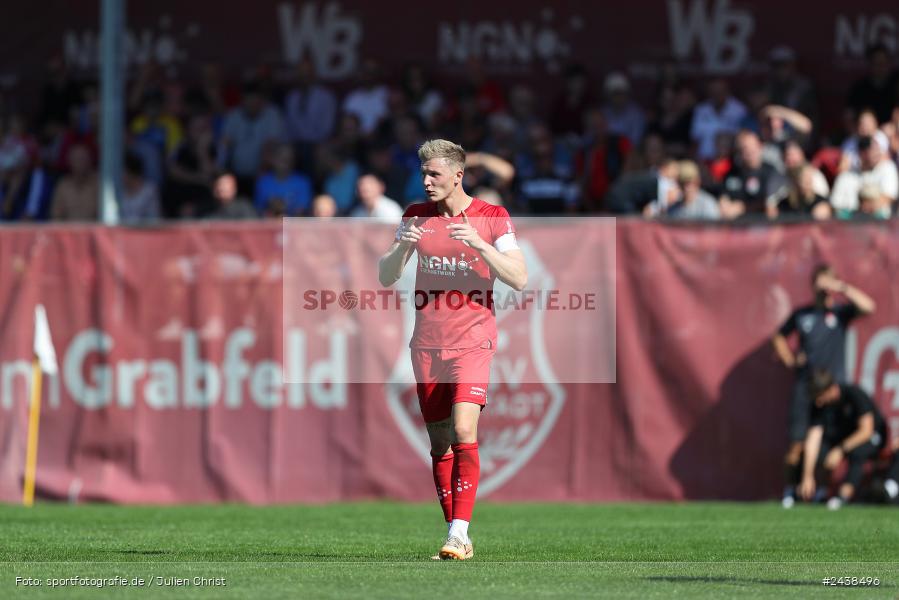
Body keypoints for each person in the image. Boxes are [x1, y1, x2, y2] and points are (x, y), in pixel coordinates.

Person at [378, 139, 527, 560]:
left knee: (464, 430)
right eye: (423, 174)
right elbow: (387, 276)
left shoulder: (492, 217)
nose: (425, 182)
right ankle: (454, 531)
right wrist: (404, 245)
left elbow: (519, 277)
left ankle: (459, 533)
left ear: (458, 176)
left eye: (434, 175)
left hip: (474, 340)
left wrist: (480, 245)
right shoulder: (414, 216)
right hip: (427, 343)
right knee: (440, 442)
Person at [772, 265, 876, 508]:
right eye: (822, 281)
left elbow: (869, 307)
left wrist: (840, 287)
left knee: (826, 446)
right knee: (797, 444)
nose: (824, 287)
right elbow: (778, 337)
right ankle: (791, 491)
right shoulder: (802, 315)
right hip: (805, 388)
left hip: (831, 392)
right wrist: (789, 358)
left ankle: (821, 491)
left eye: (829, 281)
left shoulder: (840, 313)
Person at [799, 369, 888, 509]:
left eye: (821, 397)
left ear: (832, 389)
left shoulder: (854, 394)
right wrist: (807, 476)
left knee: (858, 452)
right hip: (842, 439)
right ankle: (821, 494)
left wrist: (840, 450)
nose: (819, 402)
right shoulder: (818, 405)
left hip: (873, 437)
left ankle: (843, 497)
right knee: (821, 450)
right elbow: (813, 439)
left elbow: (866, 431)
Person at [254, 143, 313, 216]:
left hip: (294, 225)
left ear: (293, 160)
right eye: (281, 157)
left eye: (288, 158)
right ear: (273, 159)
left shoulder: (303, 182)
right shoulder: (263, 182)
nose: (285, 162)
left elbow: (302, 212)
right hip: (269, 224)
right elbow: (259, 211)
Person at [50, 143, 98, 221]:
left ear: (90, 161)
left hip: (95, 232)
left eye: (83, 159)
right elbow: (56, 217)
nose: (80, 163)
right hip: (67, 232)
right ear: (69, 162)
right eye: (77, 159)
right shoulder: (63, 186)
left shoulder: (99, 185)